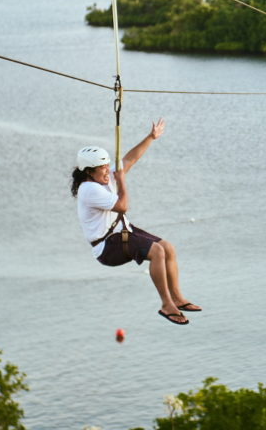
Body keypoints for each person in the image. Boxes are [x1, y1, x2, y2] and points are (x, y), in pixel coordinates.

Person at [71, 118, 200, 325]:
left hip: (122, 232)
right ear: (88, 172)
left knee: (167, 248)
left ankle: (176, 297)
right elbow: (122, 206)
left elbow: (129, 160)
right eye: (102, 168)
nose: (107, 170)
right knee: (157, 252)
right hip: (108, 247)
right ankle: (167, 305)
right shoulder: (89, 189)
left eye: (107, 166)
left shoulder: (101, 178)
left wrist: (151, 137)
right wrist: (121, 182)